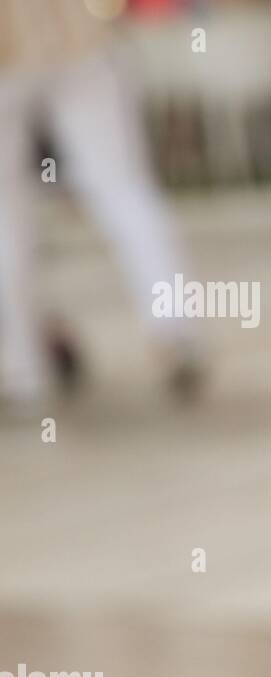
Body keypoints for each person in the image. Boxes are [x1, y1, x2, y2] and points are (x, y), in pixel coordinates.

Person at [0, 0, 202, 409]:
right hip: (80, 34)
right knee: (123, 189)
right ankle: (175, 325)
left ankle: (22, 366)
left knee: (7, 213)